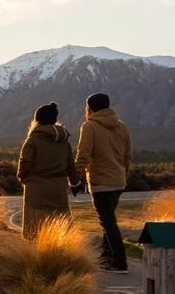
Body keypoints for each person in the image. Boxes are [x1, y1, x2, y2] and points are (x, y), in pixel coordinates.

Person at [75, 92, 132, 272]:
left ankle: (119, 261)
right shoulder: (122, 126)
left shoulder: (89, 126)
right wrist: (124, 174)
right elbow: (127, 155)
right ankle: (106, 258)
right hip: (118, 181)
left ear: (90, 107)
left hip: (101, 181)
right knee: (108, 220)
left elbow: (83, 155)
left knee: (108, 222)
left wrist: (76, 178)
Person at [16, 102, 80, 239]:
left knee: (34, 230)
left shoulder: (32, 140)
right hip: (59, 190)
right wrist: (75, 184)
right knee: (61, 230)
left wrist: (24, 179)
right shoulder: (64, 142)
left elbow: (24, 166)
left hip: (36, 191)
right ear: (55, 120)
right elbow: (71, 168)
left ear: (37, 119)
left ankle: (39, 259)